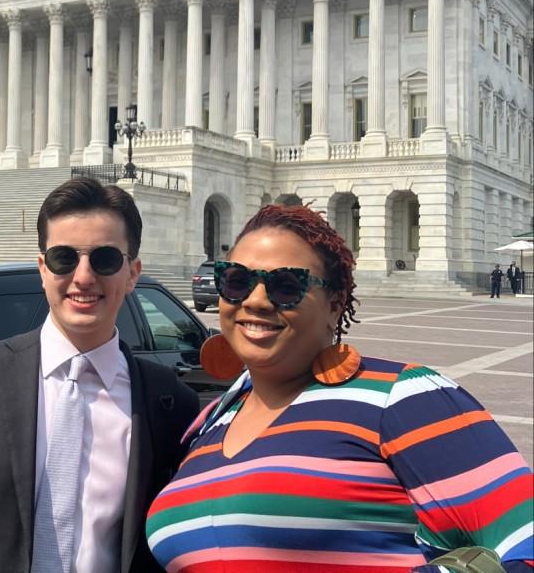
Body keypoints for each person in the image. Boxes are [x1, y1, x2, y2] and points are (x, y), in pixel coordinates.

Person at [146, 205, 534, 572]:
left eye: (285, 286)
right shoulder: (209, 423)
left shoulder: (402, 398)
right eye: (236, 281)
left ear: (335, 304)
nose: (256, 300)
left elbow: (526, 542)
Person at [0, 177, 199, 573]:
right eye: (64, 258)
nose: (83, 277)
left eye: (104, 259)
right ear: (42, 269)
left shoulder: (168, 403)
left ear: (132, 273)